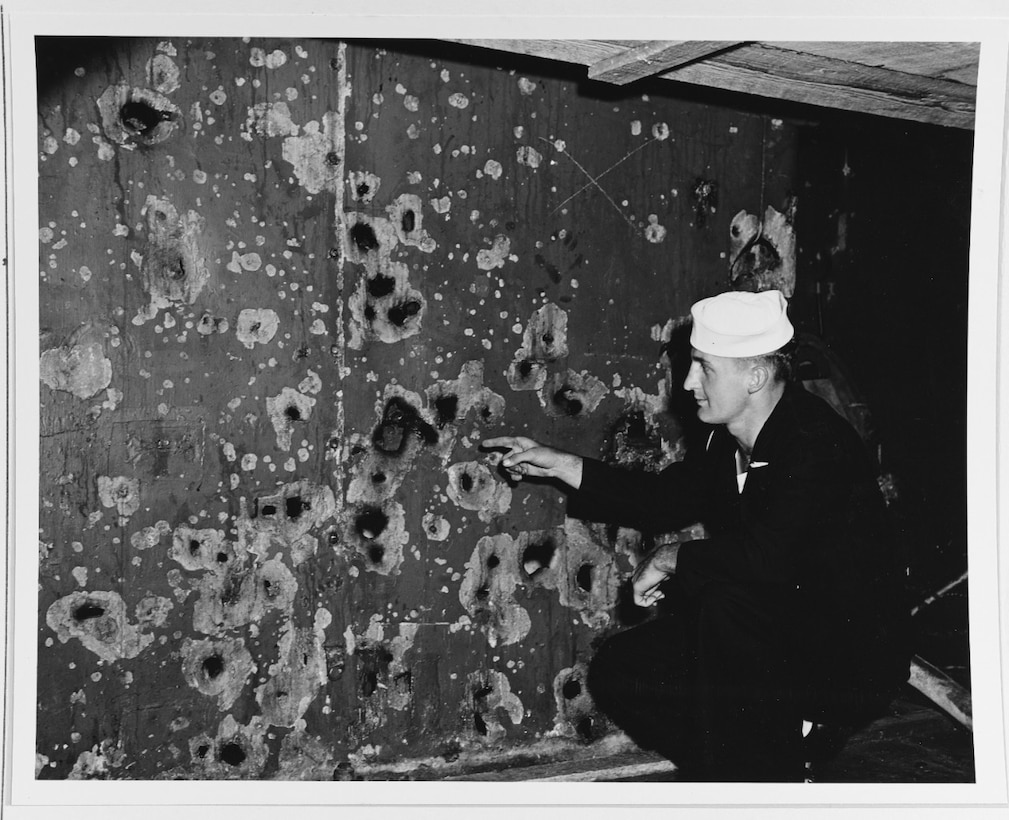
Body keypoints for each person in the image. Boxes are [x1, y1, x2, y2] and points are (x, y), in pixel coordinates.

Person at [483, 290, 909, 781]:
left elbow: (768, 558)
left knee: (724, 604)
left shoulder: (816, 443)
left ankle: (767, 771)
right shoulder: (723, 437)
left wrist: (669, 558)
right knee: (624, 672)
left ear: (755, 376)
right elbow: (663, 499)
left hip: (846, 652)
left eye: (704, 367)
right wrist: (559, 463)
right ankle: (763, 768)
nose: (688, 383)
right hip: (771, 629)